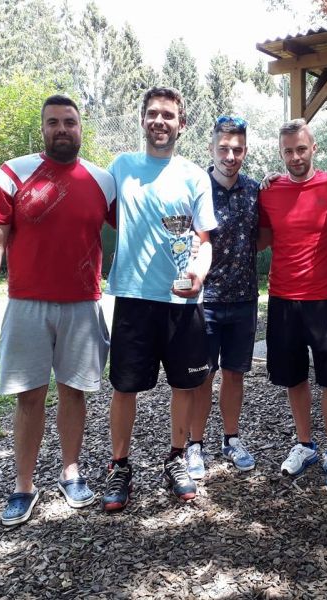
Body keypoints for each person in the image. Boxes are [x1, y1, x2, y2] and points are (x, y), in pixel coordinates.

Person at [0, 95, 116, 526]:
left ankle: (71, 473)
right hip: (26, 304)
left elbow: (139, 227)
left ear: (81, 128)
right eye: (53, 122)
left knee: (74, 391)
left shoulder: (103, 180)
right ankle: (23, 486)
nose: (62, 129)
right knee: (29, 396)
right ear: (43, 129)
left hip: (83, 306)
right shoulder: (13, 173)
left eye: (69, 122)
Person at [102, 86, 217, 511]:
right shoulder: (121, 167)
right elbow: (92, 208)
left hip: (181, 301)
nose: (159, 121)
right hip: (133, 296)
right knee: (125, 387)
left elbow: (204, 241)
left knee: (185, 384)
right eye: (153, 113)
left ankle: (176, 458)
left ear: (181, 124)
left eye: (168, 115)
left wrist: (198, 273)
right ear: (142, 120)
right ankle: (119, 466)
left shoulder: (194, 176)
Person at [258, 119, 327, 488]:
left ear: (314, 148)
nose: (295, 157)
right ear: (281, 154)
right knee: (294, 377)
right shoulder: (269, 191)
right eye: (288, 151)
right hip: (282, 299)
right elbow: (261, 238)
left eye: (301, 149)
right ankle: (305, 444)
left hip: (324, 300)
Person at [186, 116, 260, 480]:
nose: (231, 156)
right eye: (224, 149)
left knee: (234, 374)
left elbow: (263, 236)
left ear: (245, 151)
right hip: (206, 300)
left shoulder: (255, 189)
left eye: (238, 149)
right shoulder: (196, 187)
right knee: (202, 375)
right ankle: (194, 445)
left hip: (244, 298)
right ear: (211, 148)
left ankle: (231, 439)